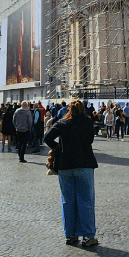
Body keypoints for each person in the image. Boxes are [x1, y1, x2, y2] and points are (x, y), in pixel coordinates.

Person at [44, 99, 99, 247]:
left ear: (68, 109)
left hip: (65, 166)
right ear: (83, 109)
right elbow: (90, 140)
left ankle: (70, 235)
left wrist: (59, 147)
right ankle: (88, 236)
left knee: (67, 201)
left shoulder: (62, 123)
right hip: (84, 164)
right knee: (86, 200)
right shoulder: (88, 122)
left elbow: (47, 137)